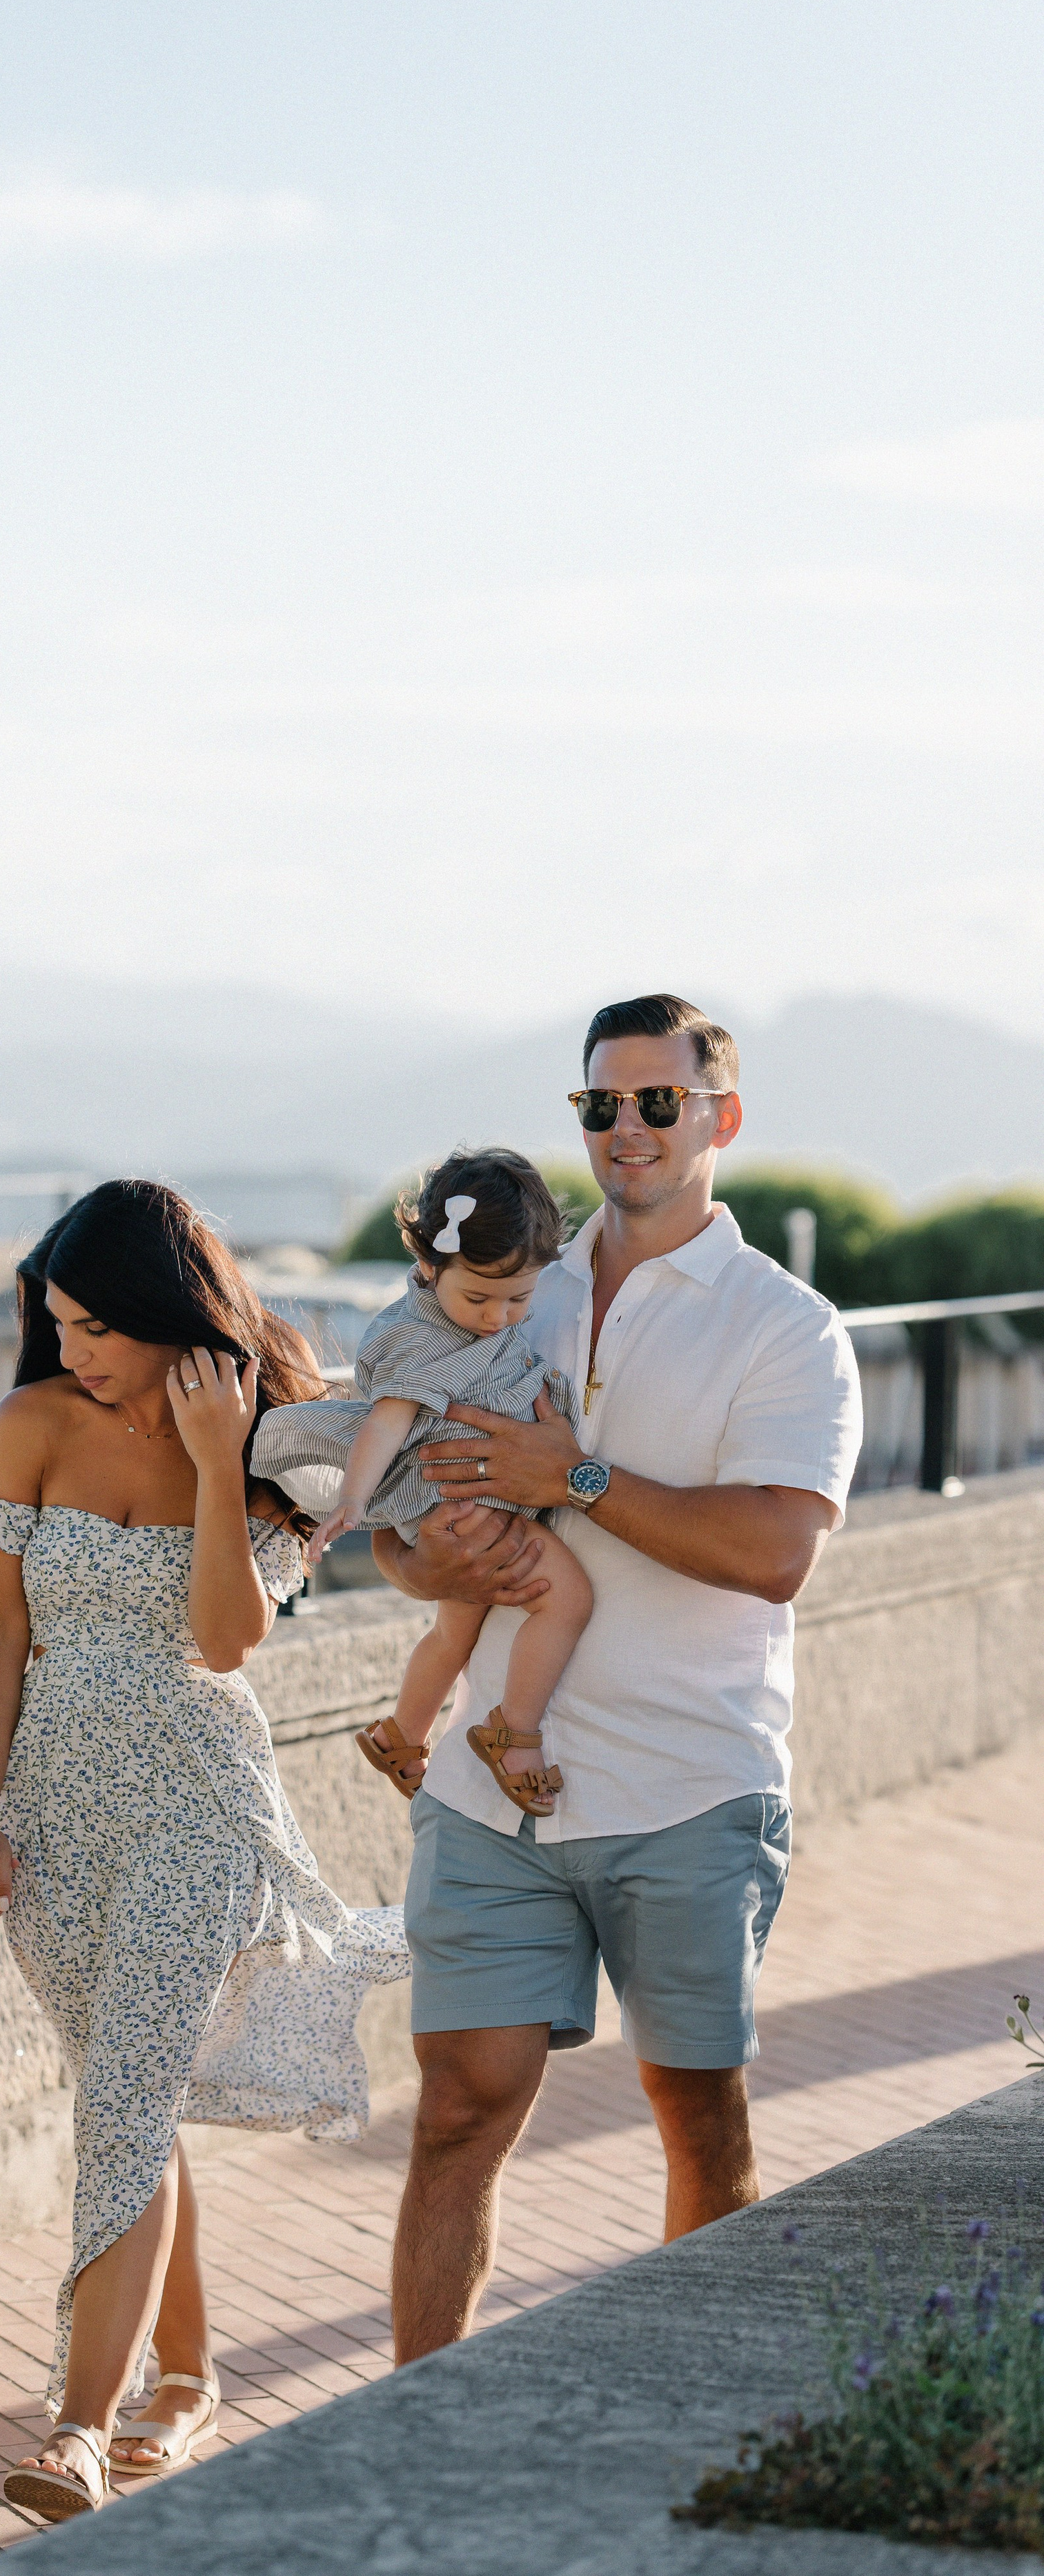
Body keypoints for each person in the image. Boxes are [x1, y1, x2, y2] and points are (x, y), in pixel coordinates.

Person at [376, 994, 863, 2363]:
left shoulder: (785, 1328)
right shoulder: (495, 1300)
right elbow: (422, 1562)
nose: (626, 1128)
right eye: (599, 1105)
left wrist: (570, 1477)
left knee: (695, 2115)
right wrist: (421, 1549)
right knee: (454, 2115)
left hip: (686, 1791)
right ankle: (414, 2433)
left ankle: (682, 2421)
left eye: (657, 1101)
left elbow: (773, 1553)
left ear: (721, 1117)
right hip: (492, 1793)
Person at [0, 1179, 408, 2524]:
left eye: (99, 1326)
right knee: (127, 2093)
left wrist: (213, 1462)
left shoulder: (267, 1445)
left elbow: (224, 1638)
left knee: (126, 2094)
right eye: (59, 1323)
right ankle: (188, 2374)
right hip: (52, 1817)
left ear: (168, 1316)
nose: (75, 1349)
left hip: (198, 1808)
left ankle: (75, 2429)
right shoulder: (26, 1427)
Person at [250, 1148, 593, 1815]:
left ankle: (401, 1733)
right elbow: (384, 1421)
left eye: (519, 1299)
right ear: (429, 1267)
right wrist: (351, 1501)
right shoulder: (415, 1338)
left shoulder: (461, 1314)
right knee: (567, 1601)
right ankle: (513, 1733)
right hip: (460, 1503)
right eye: (477, 1298)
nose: (497, 1317)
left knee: (453, 1631)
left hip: (467, 1499)